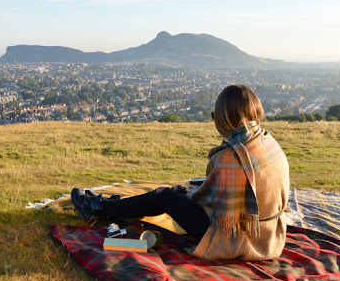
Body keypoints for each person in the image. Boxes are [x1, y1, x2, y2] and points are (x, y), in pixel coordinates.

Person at [71, 84, 290, 261]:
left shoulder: (230, 157)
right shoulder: (267, 140)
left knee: (163, 196)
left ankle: (98, 207)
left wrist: (185, 194)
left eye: (216, 116)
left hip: (235, 238)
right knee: (176, 194)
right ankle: (105, 207)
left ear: (226, 119)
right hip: (269, 237)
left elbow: (212, 205)